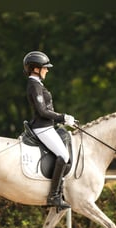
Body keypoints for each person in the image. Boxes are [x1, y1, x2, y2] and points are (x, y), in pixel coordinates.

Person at [23, 50, 76, 209]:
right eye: (45, 67)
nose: (47, 70)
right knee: (64, 155)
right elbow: (42, 111)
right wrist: (62, 117)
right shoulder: (34, 85)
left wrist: (65, 120)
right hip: (42, 127)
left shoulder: (38, 84)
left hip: (47, 126)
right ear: (36, 69)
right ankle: (54, 196)